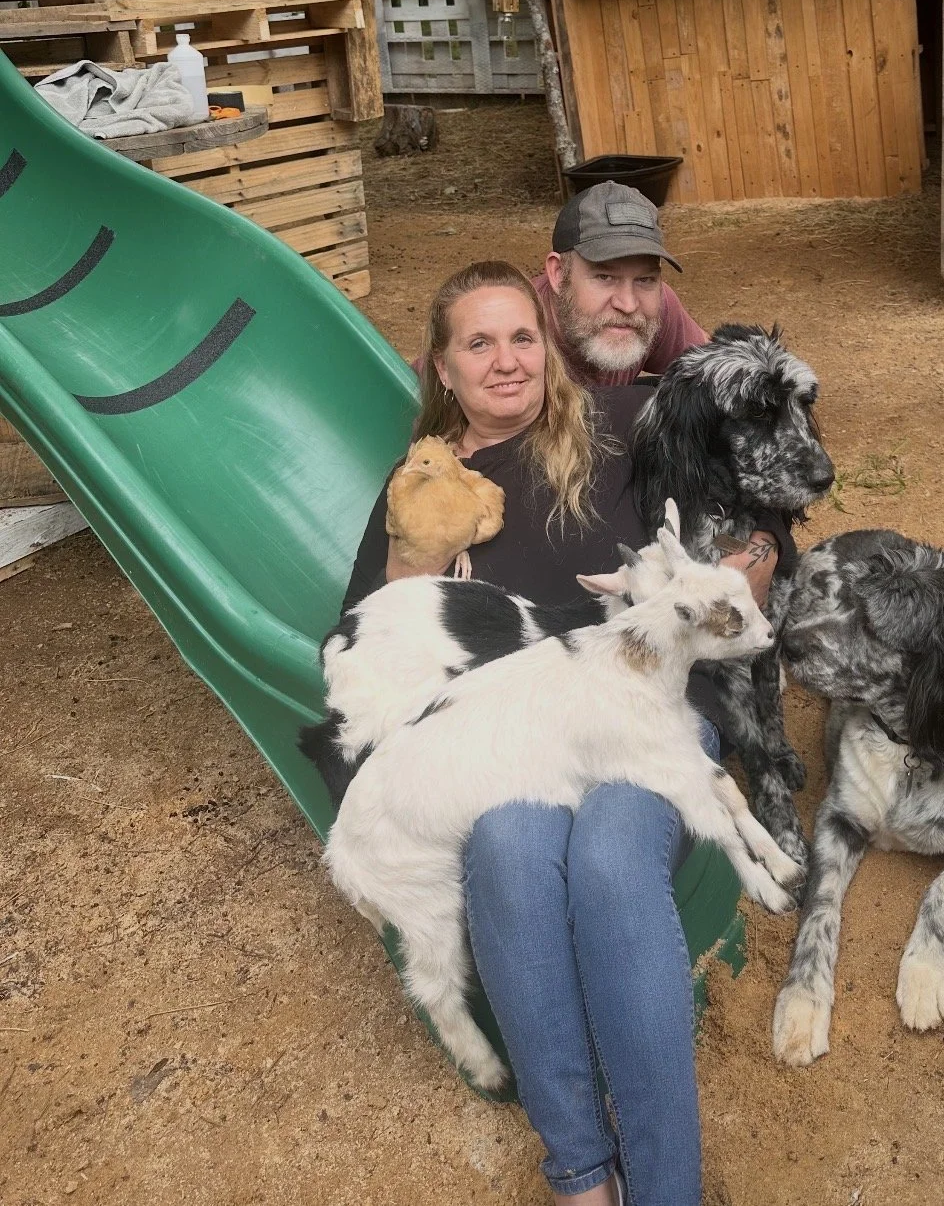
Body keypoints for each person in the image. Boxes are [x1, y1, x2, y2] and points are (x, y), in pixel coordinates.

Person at [342, 260, 786, 1206]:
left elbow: (764, 497)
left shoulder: (623, 425)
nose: (507, 361)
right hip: (515, 738)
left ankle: (667, 1190)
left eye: (523, 337)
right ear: (442, 369)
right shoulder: (425, 484)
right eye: (479, 342)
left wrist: (754, 558)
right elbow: (369, 640)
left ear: (548, 346)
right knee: (507, 849)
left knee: (612, 863)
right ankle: (582, 1171)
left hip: (646, 715)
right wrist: (413, 562)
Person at [532, 181, 707, 388]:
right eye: (605, 277)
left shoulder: (659, 305)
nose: (628, 304)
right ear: (559, 274)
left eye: (645, 279)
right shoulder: (511, 330)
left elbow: (717, 368)